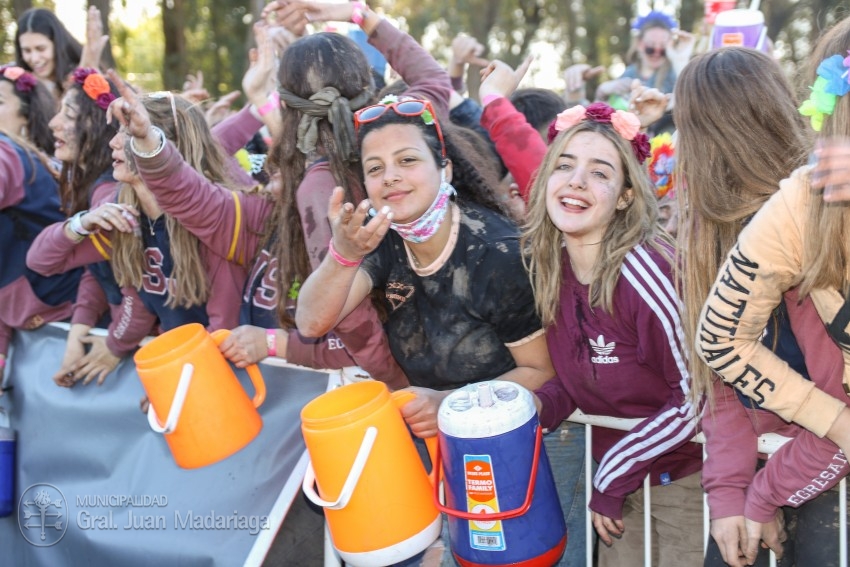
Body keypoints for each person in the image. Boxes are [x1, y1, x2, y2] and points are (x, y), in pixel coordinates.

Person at [673, 46, 850, 567]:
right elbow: (722, 378)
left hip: (819, 471)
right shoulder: (709, 239)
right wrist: (729, 492)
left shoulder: (810, 227)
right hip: (770, 471)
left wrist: (765, 493)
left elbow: (837, 412)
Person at [524, 102, 703, 566]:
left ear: (625, 196)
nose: (577, 181)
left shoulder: (648, 275)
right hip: (618, 485)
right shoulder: (551, 267)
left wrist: (612, 476)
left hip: (685, 481)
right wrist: (535, 409)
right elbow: (582, 375)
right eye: (565, 165)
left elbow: (695, 398)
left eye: (600, 173)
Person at [254, 0, 457, 388]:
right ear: (367, 82)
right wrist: (357, 14)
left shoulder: (319, 188)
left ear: (290, 106)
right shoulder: (407, 130)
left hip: (401, 377)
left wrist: (398, 383)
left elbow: (350, 317)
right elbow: (433, 78)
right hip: (458, 344)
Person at [0, 64, 81, 373]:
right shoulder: (29, 156)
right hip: (33, 323)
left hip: (67, 320)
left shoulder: (7, 152)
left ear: (25, 115)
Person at [15, 7, 109, 100]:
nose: (34, 59)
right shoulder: (16, 83)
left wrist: (83, 76)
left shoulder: (83, 73)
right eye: (27, 51)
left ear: (57, 44)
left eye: (41, 49)